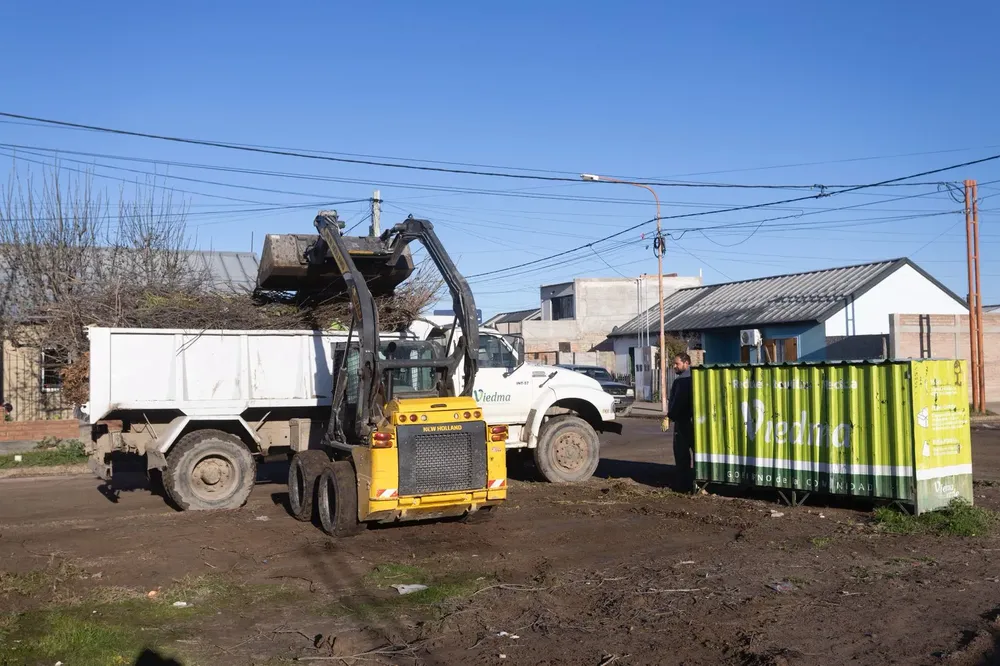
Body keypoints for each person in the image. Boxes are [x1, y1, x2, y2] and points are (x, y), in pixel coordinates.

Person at [667, 352, 694, 492]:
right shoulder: (695, 376)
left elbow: (678, 402)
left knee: (681, 454)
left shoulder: (682, 380)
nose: (674, 366)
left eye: (677, 363)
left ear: (686, 363)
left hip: (683, 422)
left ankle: (683, 486)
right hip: (694, 422)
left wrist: (670, 416)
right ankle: (696, 482)